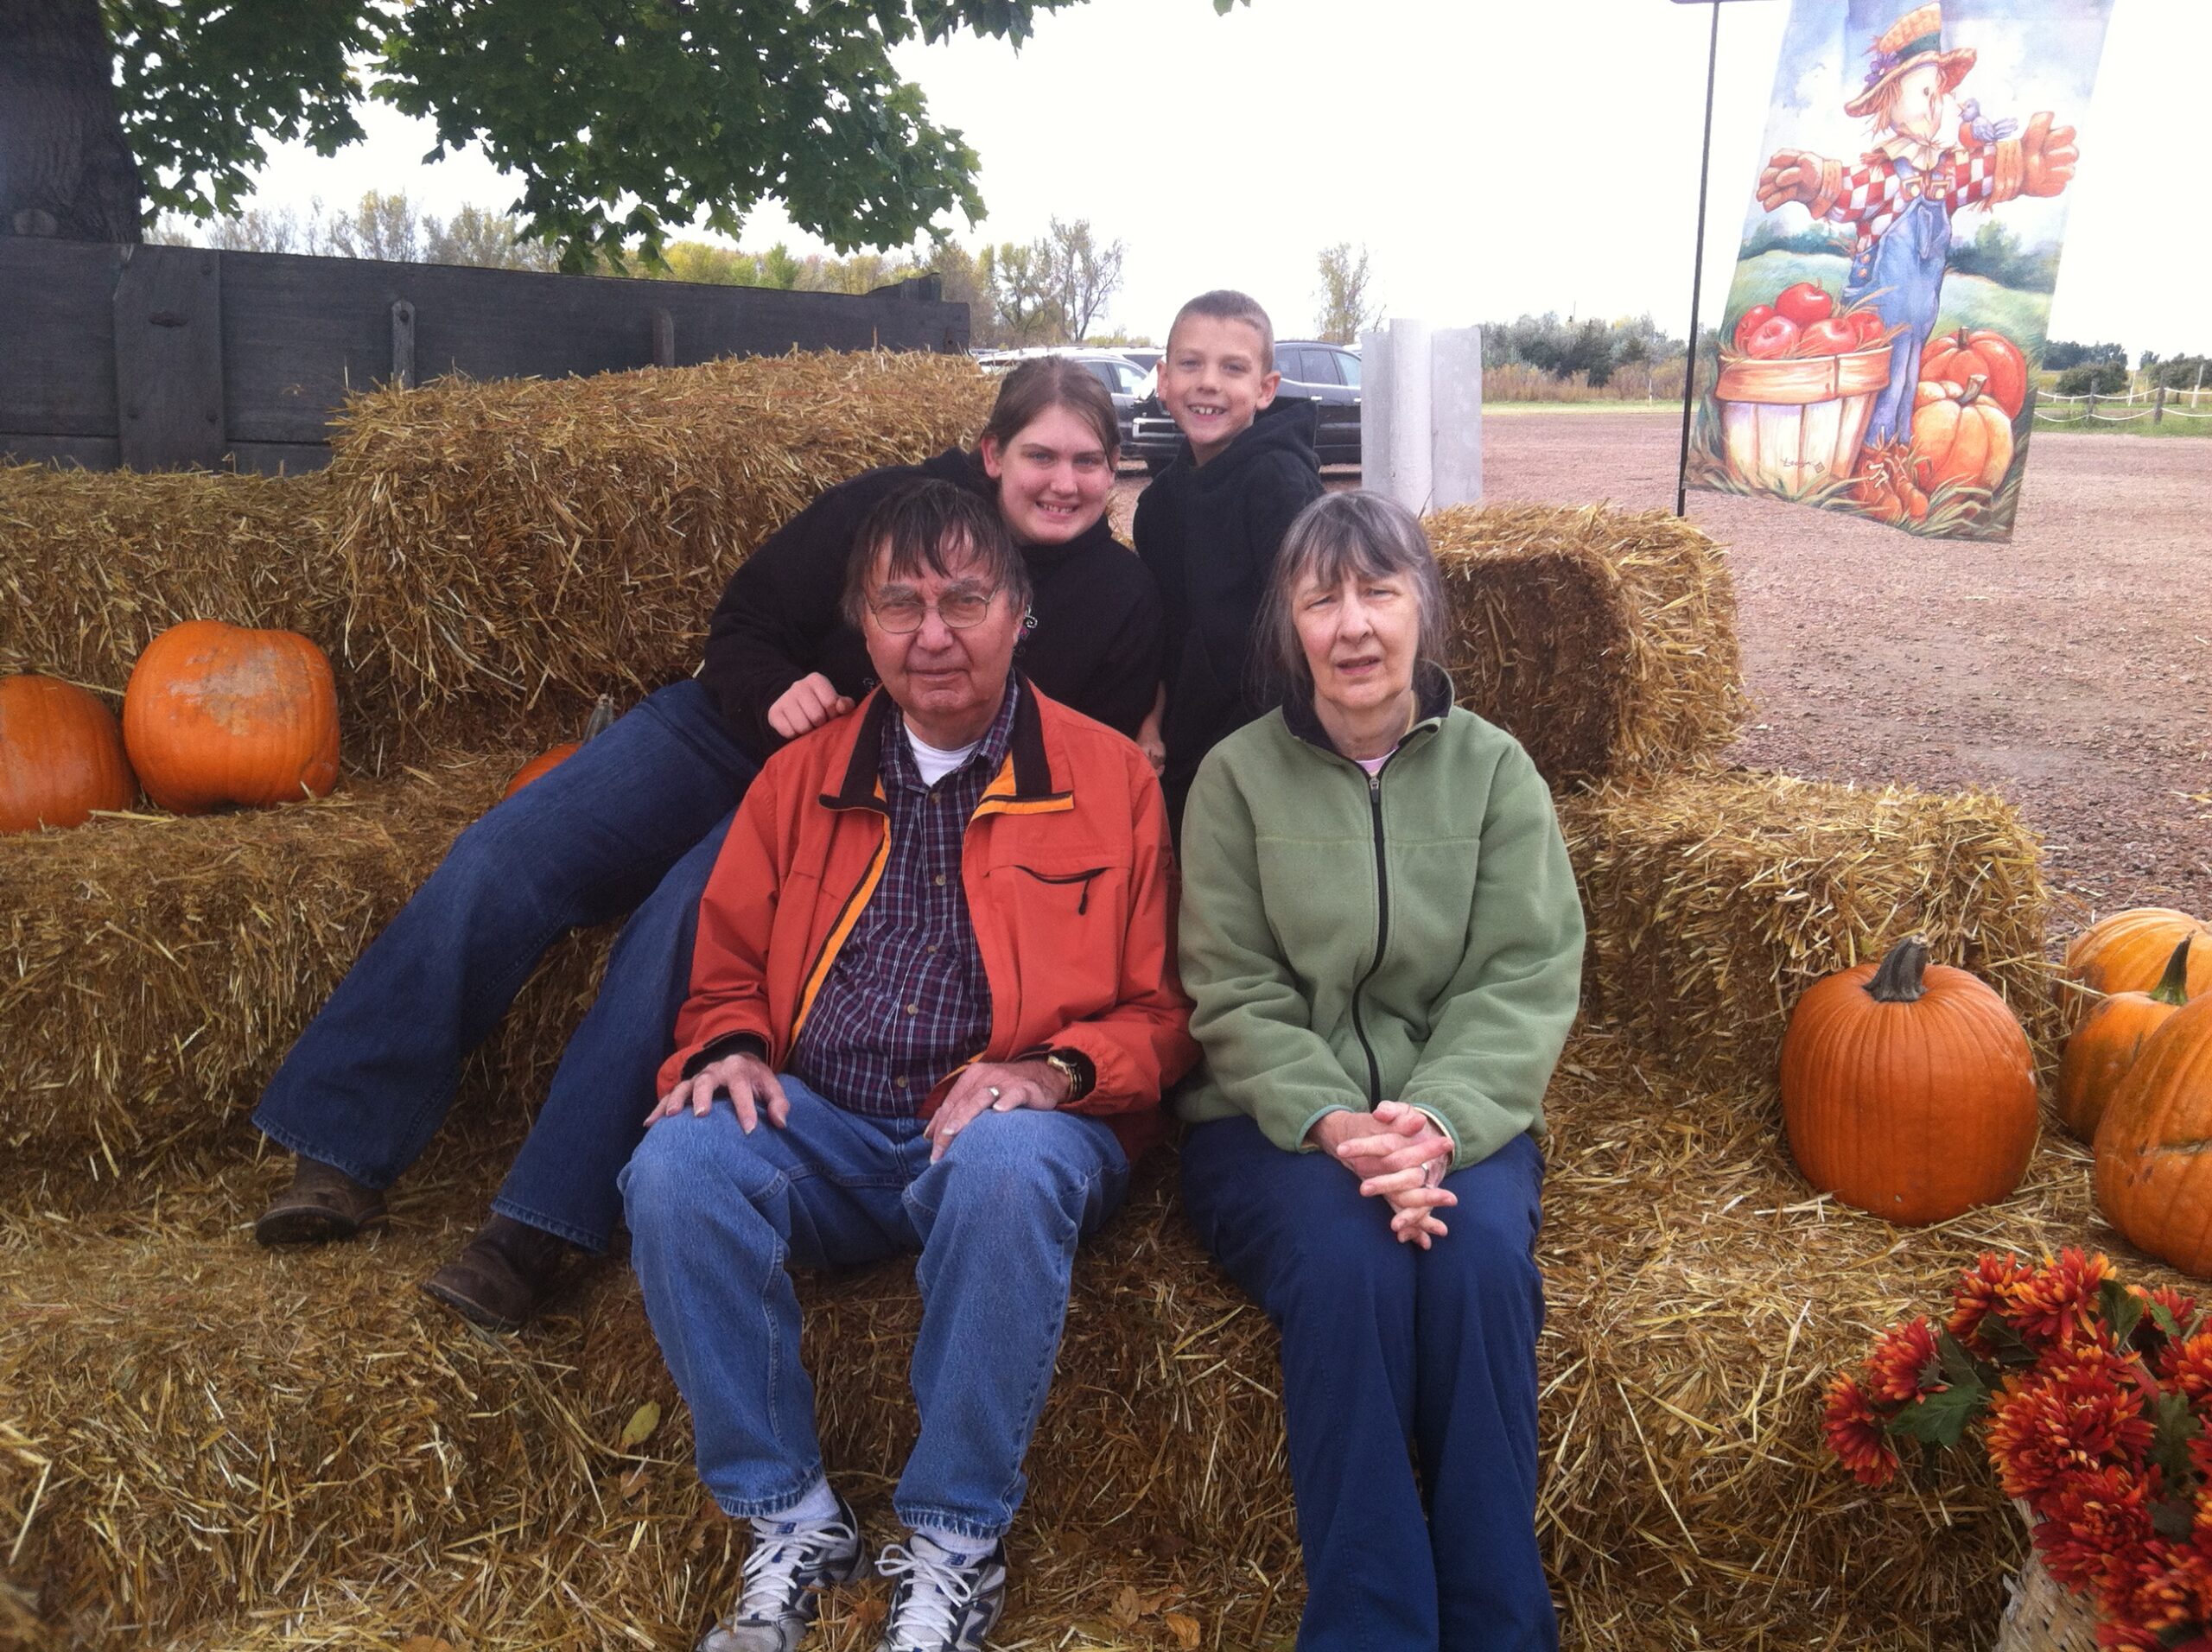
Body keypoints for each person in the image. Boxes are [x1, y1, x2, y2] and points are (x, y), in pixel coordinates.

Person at [249, 359, 1163, 1334]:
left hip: (839, 799)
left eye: (1087, 462)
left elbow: (1073, 774)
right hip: (724, 731)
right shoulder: (887, 509)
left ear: (1115, 469)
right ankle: (337, 1143)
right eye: (1039, 456)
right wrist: (774, 689)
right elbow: (745, 619)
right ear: (991, 453)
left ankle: (533, 1230)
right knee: (507, 853)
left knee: (682, 920)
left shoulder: (1119, 598)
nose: (1062, 482)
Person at [620, 480, 1192, 1652]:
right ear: (863, 626)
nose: (933, 634)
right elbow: (724, 969)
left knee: (1009, 1164)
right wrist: (727, 1045)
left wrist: (1053, 1073)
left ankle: (954, 1540)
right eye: (900, 606)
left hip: (1008, 1127)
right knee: (674, 1165)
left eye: (964, 601)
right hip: (825, 1126)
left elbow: (1164, 1011)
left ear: (1018, 614)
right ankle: (789, 1514)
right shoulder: (799, 777)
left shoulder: (1110, 782)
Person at [1173, 491, 1585, 1650]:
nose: (1352, 624)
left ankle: (1500, 1629)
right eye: (1321, 599)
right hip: (1271, 1128)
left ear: (1424, 609)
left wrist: (1435, 1121)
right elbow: (1231, 987)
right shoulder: (1234, 780)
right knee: (1349, 1265)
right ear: (1289, 626)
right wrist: (1332, 1122)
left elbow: (1523, 973)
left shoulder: (1495, 773)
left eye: (1378, 592)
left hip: (1455, 1120)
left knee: (1479, 1265)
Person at [1754, 2, 2076, 448]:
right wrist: (1817, 181)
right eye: (1924, 92)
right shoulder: (1887, 174)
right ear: (1890, 99)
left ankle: (1897, 447)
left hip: (1921, 309)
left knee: (1909, 374)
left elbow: (1978, 171)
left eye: (1937, 95)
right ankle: (1869, 451)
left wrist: (2019, 163)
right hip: (1877, 311)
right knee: (1879, 377)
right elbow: (1849, 190)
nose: (1934, 106)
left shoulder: (1943, 172)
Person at [1132, 289, 1324, 831]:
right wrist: (1151, 720)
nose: (1209, 382)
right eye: (1191, 364)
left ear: (1265, 389)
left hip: (1273, 750)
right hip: (1189, 746)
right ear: (1163, 379)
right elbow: (1164, 631)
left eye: (1233, 368)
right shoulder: (1158, 506)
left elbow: (1310, 626)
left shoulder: (1280, 485)